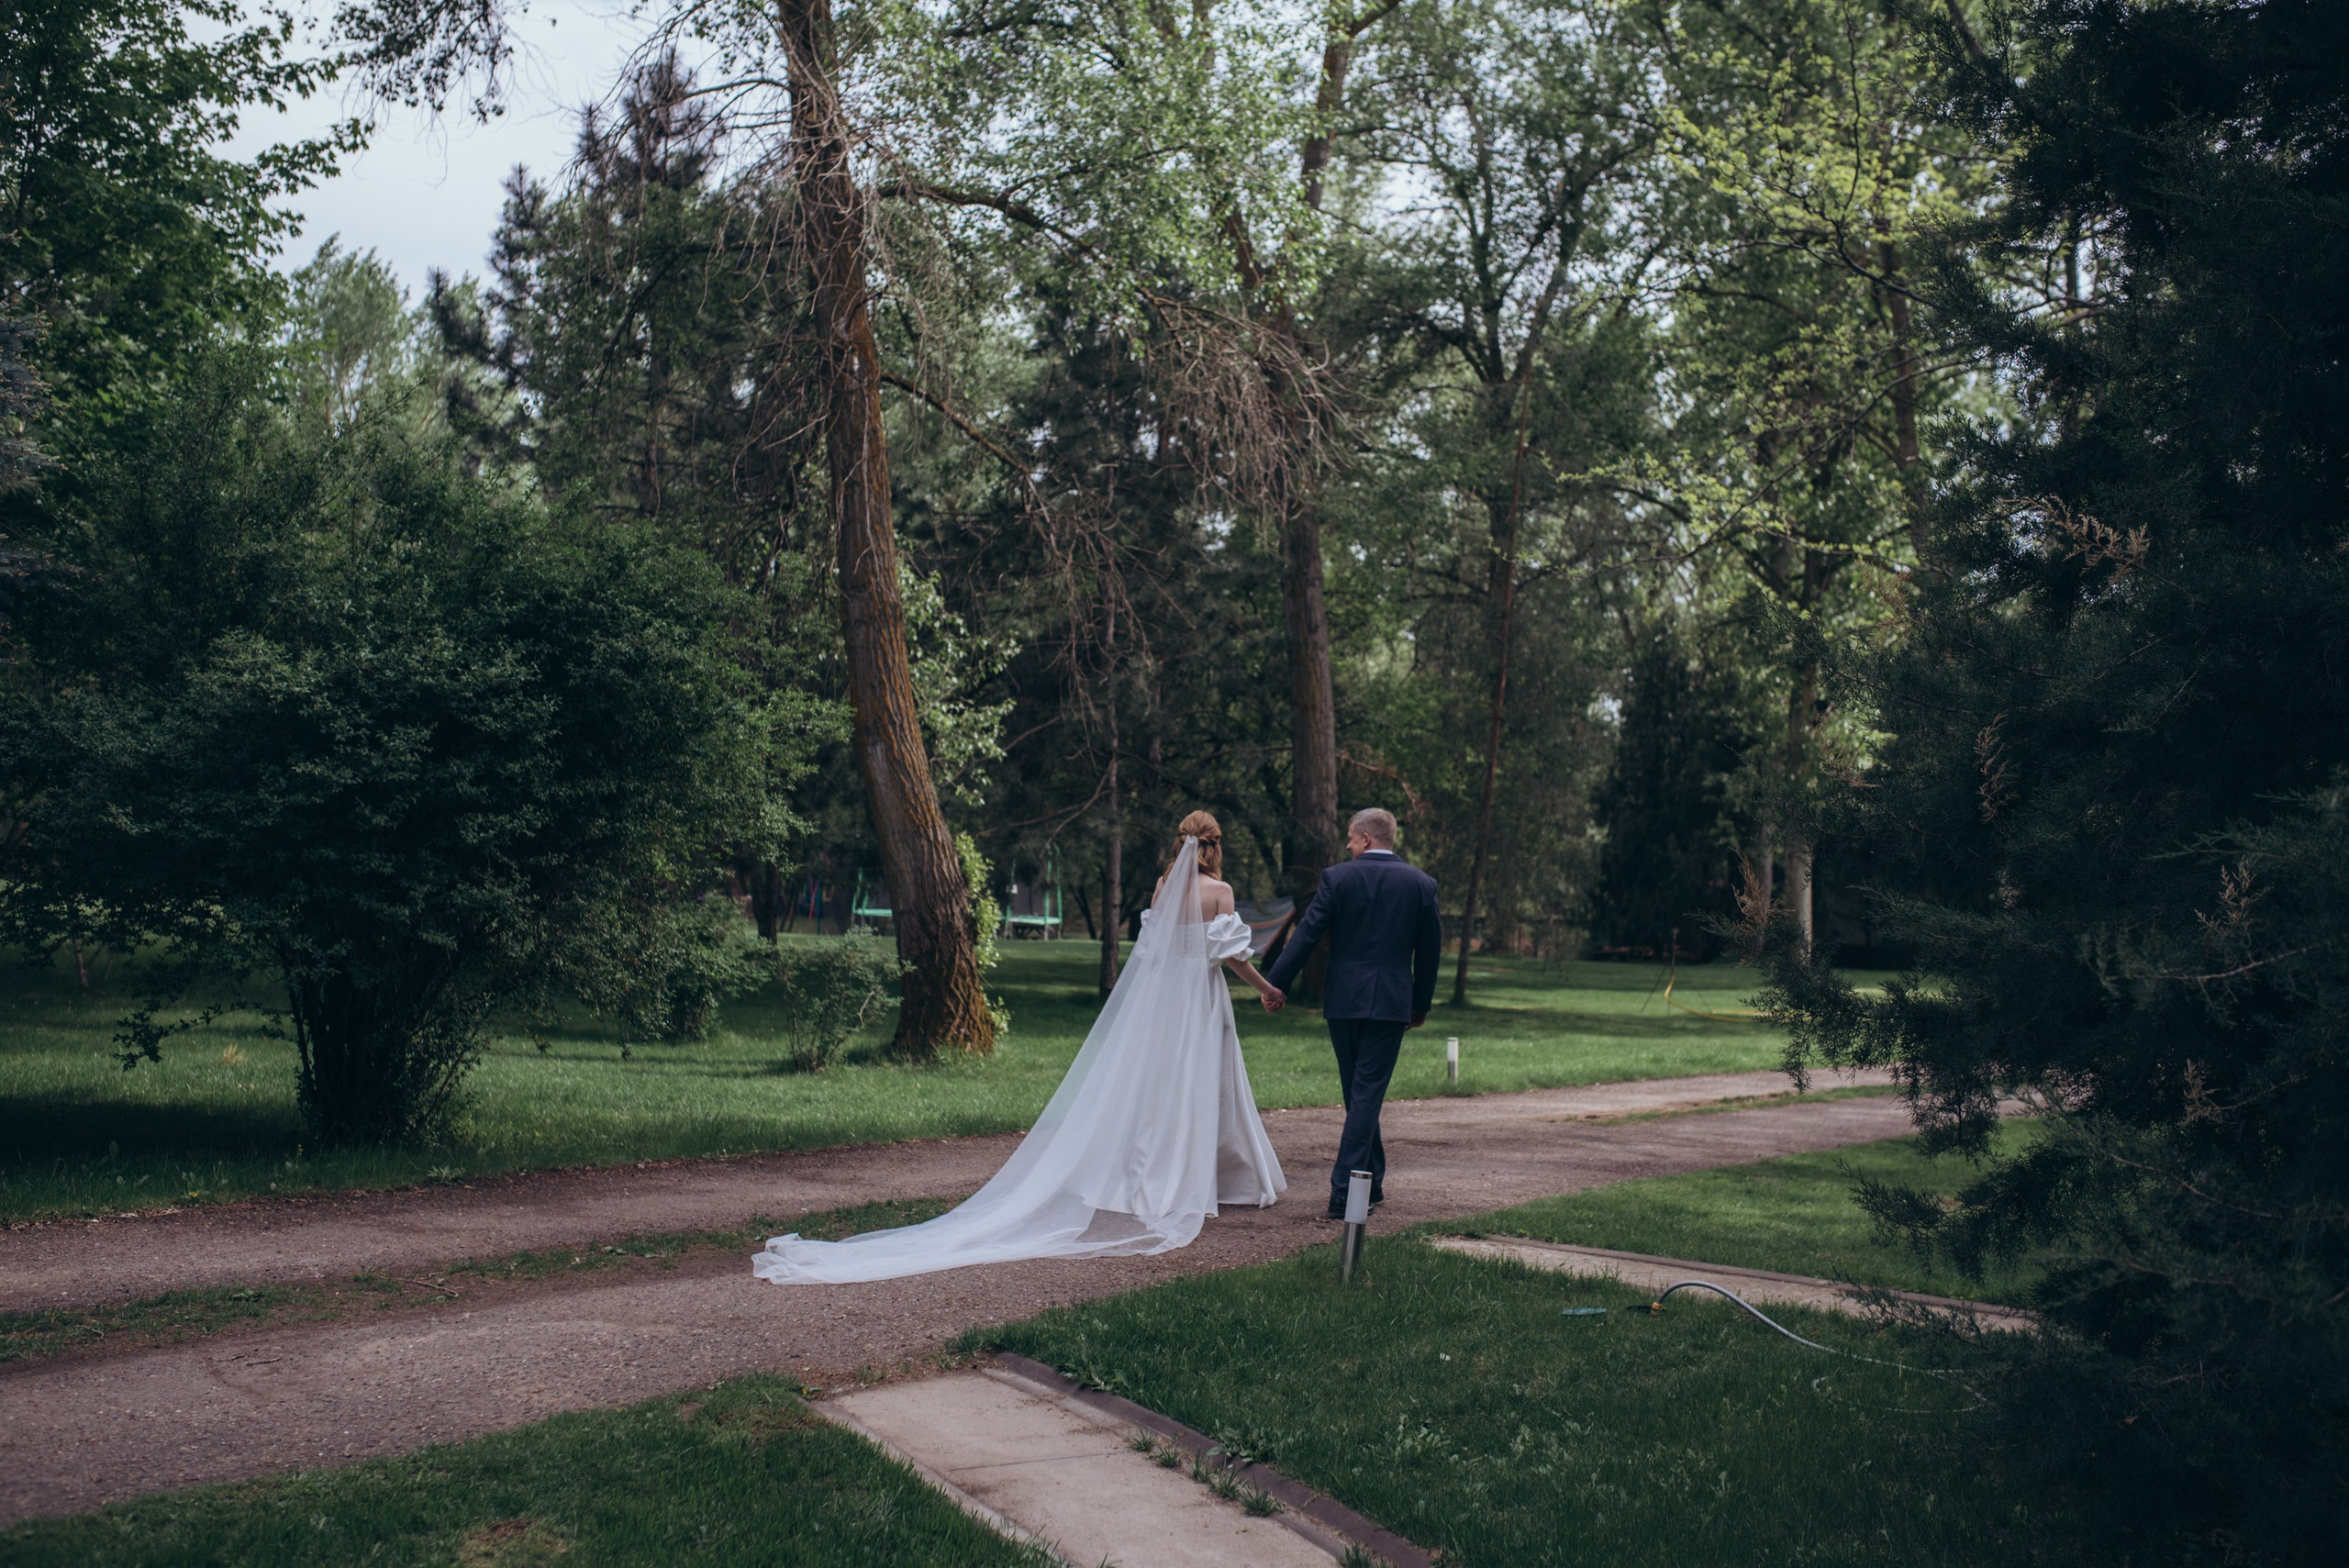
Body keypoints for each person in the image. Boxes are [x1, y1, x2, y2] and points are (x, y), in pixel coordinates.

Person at [751, 811, 1286, 1284]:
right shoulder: (1221, 892)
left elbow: (1152, 953)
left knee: (1160, 1090)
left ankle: (1152, 1180)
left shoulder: (1164, 886)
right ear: (1215, 846)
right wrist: (1266, 989)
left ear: (1181, 843)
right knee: (1204, 1085)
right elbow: (1232, 957)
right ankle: (1214, 1179)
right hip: (1200, 1001)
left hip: (1165, 1002)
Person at [1263, 806, 1442, 1219]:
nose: (1347, 845)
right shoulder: (1421, 884)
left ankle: (1346, 1192)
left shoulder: (1338, 878)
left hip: (1344, 1002)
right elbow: (1429, 954)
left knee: (1359, 1095)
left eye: (1350, 837)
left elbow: (1306, 934)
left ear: (1366, 838)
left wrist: (1277, 984)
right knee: (1363, 1097)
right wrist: (1420, 1005)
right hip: (1391, 1004)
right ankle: (1364, 1185)